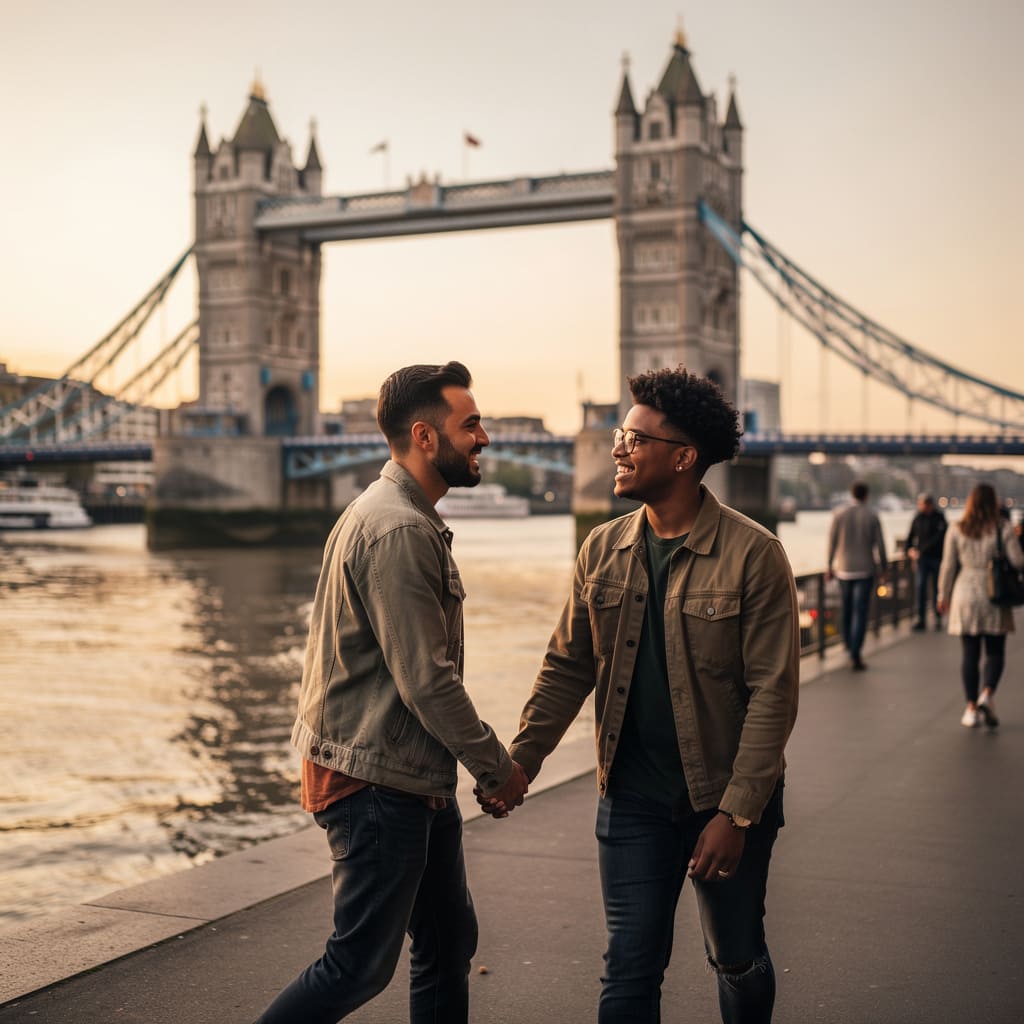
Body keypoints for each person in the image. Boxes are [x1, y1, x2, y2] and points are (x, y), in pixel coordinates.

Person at [482, 366, 799, 1023]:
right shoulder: (602, 549)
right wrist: (523, 761)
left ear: (683, 458)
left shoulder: (755, 555)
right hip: (630, 796)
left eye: (633, 436)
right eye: (619, 433)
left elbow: (773, 694)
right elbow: (567, 665)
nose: (617, 447)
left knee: (735, 955)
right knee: (628, 964)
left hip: (722, 795)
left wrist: (736, 815)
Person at [255, 361, 529, 1024]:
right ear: (425, 437)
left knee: (446, 942)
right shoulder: (400, 529)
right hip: (376, 781)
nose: (484, 437)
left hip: (407, 774)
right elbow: (427, 682)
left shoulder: (393, 514)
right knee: (357, 966)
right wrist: (498, 770)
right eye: (470, 425)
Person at [937, 482, 1023, 729]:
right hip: (994, 593)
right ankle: (987, 693)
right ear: (994, 502)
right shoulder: (1001, 527)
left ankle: (971, 709)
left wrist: (942, 595)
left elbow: (948, 566)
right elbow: (1018, 561)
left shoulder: (957, 528)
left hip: (965, 592)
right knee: (995, 651)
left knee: (970, 654)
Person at [826, 481, 887, 671]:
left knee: (846, 608)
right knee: (860, 612)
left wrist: (829, 565)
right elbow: (880, 545)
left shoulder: (839, 514)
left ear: (851, 494)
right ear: (866, 495)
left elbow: (832, 542)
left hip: (843, 569)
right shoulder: (872, 515)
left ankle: (847, 642)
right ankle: (855, 653)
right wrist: (884, 568)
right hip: (865, 569)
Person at [905, 492, 947, 631]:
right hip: (922, 560)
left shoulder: (939, 518)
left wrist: (920, 550)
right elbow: (910, 538)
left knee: (936, 588)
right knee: (920, 588)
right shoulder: (917, 518)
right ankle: (921, 618)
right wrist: (910, 550)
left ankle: (937, 617)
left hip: (935, 558)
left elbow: (940, 538)